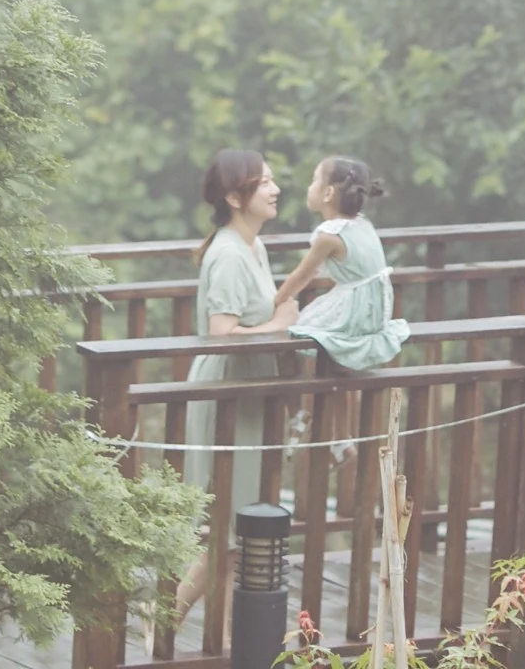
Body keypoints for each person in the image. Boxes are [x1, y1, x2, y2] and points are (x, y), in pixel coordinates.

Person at [174, 148, 296, 626]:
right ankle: (164, 614)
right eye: (262, 182)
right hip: (227, 390)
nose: (275, 189)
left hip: (250, 391)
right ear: (233, 196)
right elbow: (221, 334)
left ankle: (219, 637)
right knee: (232, 526)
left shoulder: (253, 246)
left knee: (240, 529)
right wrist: (281, 324)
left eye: (272, 180)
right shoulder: (227, 254)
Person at [272, 155, 410, 371]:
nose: (309, 187)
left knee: (295, 329)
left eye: (314, 180)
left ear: (328, 193)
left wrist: (277, 301)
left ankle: (301, 388)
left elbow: (302, 275)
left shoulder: (329, 235)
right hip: (375, 311)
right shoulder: (362, 223)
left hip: (356, 312)